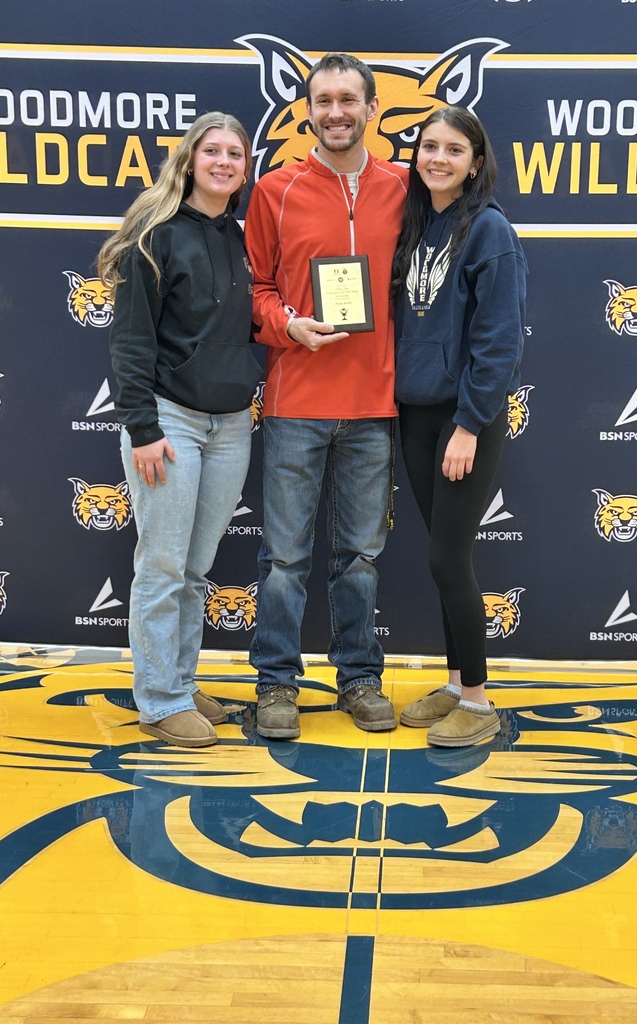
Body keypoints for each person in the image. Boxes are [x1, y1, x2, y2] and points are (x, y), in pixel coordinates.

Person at [244, 53, 409, 739]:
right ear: (306, 110)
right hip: (294, 402)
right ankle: (277, 683)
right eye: (323, 100)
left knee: (359, 558)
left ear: (372, 109)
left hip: (375, 405)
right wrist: (288, 326)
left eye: (349, 99)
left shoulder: (406, 187)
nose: (336, 111)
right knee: (283, 558)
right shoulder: (274, 190)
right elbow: (252, 290)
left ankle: (359, 678)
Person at [98, 112, 262, 747]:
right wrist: (141, 427)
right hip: (168, 420)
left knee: (195, 568)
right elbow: (131, 338)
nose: (224, 161)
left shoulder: (240, 237)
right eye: (212, 150)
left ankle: (180, 680)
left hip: (230, 424)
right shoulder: (155, 233)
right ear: (190, 159)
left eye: (235, 153)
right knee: (163, 564)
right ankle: (160, 699)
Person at [392, 106, 527, 748]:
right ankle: (453, 684)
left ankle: (477, 699)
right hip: (414, 413)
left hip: (460, 418)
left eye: (453, 149)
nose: (437, 158)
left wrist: (470, 424)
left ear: (476, 161)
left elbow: (499, 340)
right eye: (428, 146)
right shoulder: (420, 223)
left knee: (450, 557)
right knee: (443, 557)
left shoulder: (489, 229)